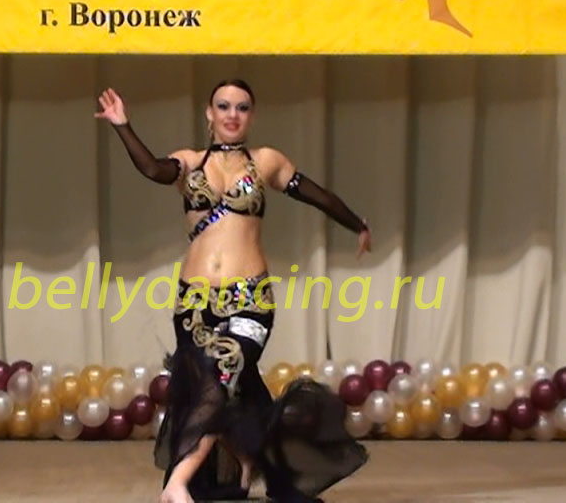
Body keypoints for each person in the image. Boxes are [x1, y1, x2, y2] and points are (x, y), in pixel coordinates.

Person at [96, 80, 371, 503]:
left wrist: (357, 224)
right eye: (223, 106)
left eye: (242, 107)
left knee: (222, 376)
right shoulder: (189, 162)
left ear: (252, 116)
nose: (232, 114)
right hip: (194, 303)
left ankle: (177, 483)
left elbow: (317, 195)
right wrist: (122, 125)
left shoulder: (266, 161)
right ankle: (245, 463)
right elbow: (153, 169)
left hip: (250, 299)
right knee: (221, 389)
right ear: (209, 113)